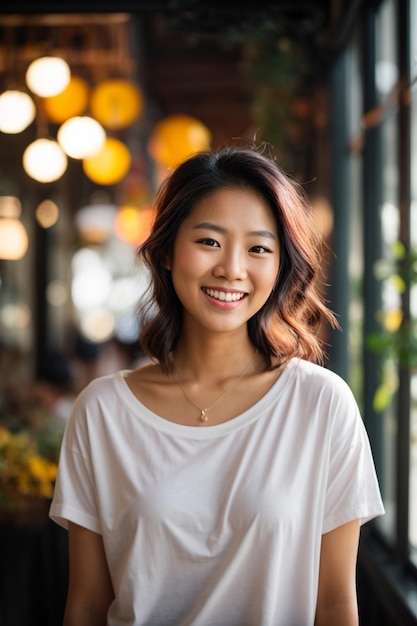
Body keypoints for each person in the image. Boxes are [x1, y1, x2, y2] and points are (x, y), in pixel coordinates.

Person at [50, 146, 384, 626]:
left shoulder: (321, 404)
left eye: (258, 248)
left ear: (280, 266)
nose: (232, 268)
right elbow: (85, 604)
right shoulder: (102, 411)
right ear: (165, 251)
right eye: (209, 241)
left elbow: (334, 604)